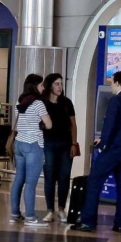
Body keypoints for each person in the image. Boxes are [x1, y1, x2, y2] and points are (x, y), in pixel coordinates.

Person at [72, 71, 121, 233]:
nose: (111, 86)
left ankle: (88, 221)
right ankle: (119, 223)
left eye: (112, 83)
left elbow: (110, 124)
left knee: (94, 181)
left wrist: (103, 143)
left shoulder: (115, 100)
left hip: (112, 150)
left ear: (118, 83)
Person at [8, 74, 53, 227]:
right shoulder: (38, 103)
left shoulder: (19, 102)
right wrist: (40, 123)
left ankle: (15, 214)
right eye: (41, 85)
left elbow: (20, 121)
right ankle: (30, 217)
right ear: (35, 86)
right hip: (33, 145)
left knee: (19, 179)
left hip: (19, 144)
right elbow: (49, 125)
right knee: (31, 183)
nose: (43, 88)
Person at [40, 73, 78, 223]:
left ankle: (61, 208)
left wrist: (74, 143)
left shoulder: (67, 103)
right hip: (48, 143)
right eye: (56, 83)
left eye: (61, 84)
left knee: (64, 177)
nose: (60, 87)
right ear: (49, 85)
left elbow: (73, 125)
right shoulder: (42, 103)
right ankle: (50, 210)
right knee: (49, 177)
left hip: (65, 144)